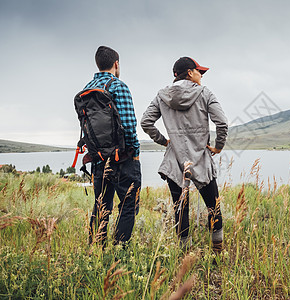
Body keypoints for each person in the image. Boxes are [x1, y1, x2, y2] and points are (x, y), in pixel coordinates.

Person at [141, 57, 228, 253]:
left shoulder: (162, 96)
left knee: (181, 211)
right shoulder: (205, 93)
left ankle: (184, 256)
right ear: (190, 72)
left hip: (175, 162)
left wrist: (164, 141)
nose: (201, 76)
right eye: (200, 72)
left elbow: (146, 122)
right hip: (202, 159)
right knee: (213, 207)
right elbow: (222, 123)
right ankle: (217, 252)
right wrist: (218, 146)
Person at [84, 46, 141, 247]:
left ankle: (96, 252)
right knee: (128, 206)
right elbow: (128, 126)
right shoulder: (119, 86)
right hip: (123, 159)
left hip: (98, 159)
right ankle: (120, 251)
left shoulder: (86, 89)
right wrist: (134, 152)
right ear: (116, 64)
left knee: (101, 206)